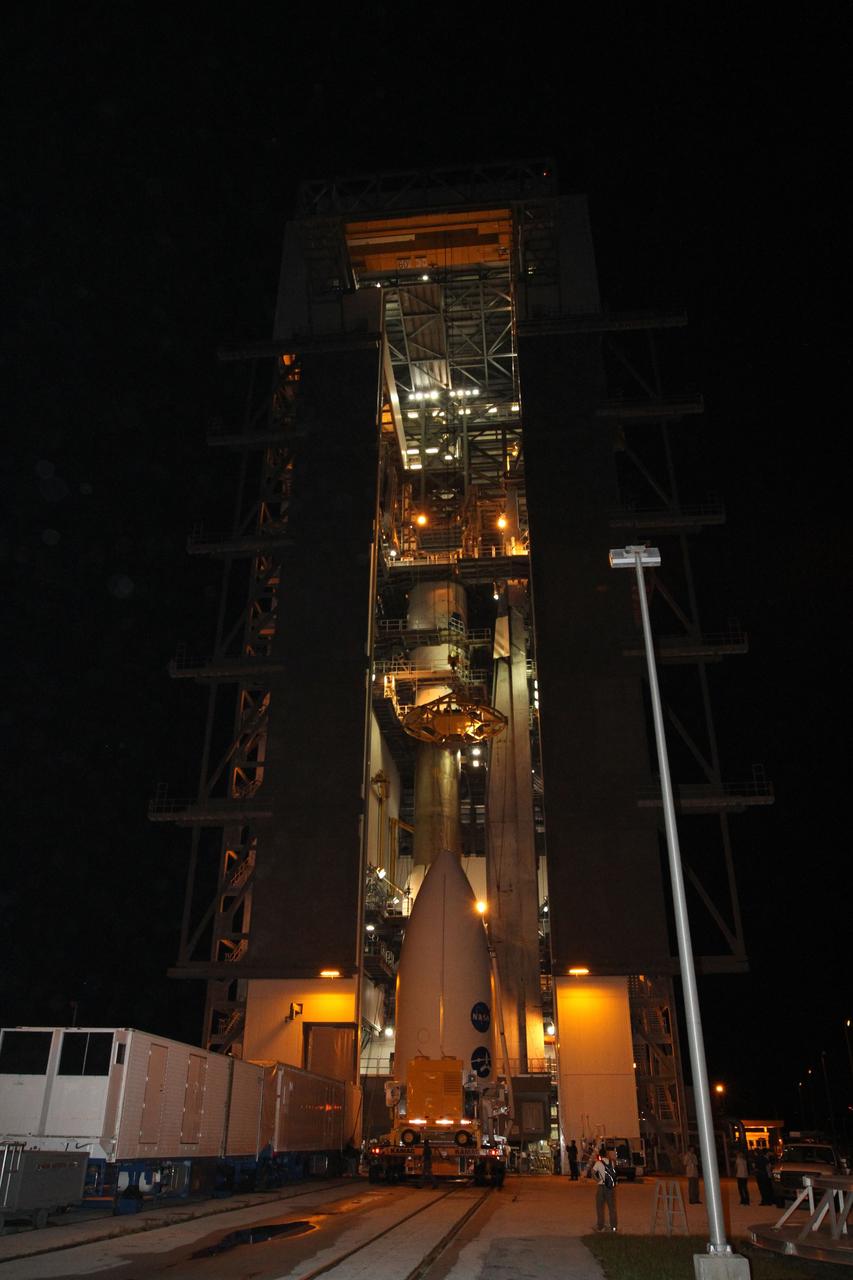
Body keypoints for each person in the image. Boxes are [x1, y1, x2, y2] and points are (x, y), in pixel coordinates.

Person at [592, 1147, 618, 1231]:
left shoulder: (598, 1163)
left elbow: (592, 1173)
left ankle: (600, 1226)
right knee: (612, 1208)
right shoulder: (612, 1162)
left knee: (600, 1207)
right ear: (606, 1154)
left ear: (599, 1155)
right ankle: (613, 1227)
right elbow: (614, 1173)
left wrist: (597, 1180)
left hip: (601, 1186)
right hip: (610, 1187)